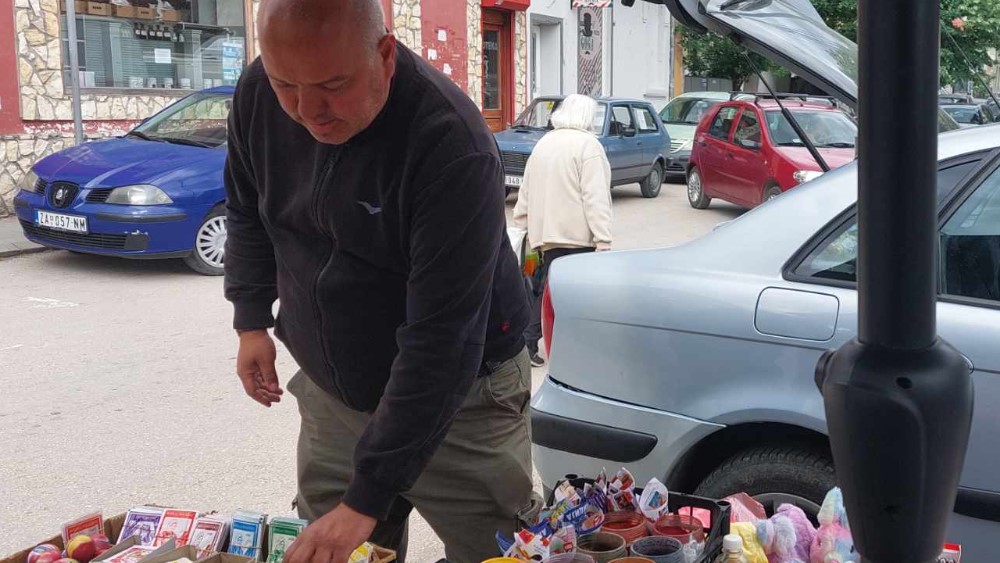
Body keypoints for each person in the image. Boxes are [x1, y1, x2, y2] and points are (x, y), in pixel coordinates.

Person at [222, 0, 535, 562]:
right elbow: (248, 209)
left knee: (500, 551)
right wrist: (250, 319)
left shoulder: (452, 144)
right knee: (330, 548)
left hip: (464, 399)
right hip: (335, 391)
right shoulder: (259, 94)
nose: (307, 111)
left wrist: (365, 498)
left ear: (384, 54)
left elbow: (442, 341)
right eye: (286, 84)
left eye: (333, 85)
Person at [512, 94, 613, 367]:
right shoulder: (588, 146)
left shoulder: (544, 143)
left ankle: (528, 346)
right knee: (569, 296)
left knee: (537, 290)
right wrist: (603, 238)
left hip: (539, 236)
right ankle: (568, 351)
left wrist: (521, 223)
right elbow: (595, 197)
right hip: (575, 238)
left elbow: (526, 188)